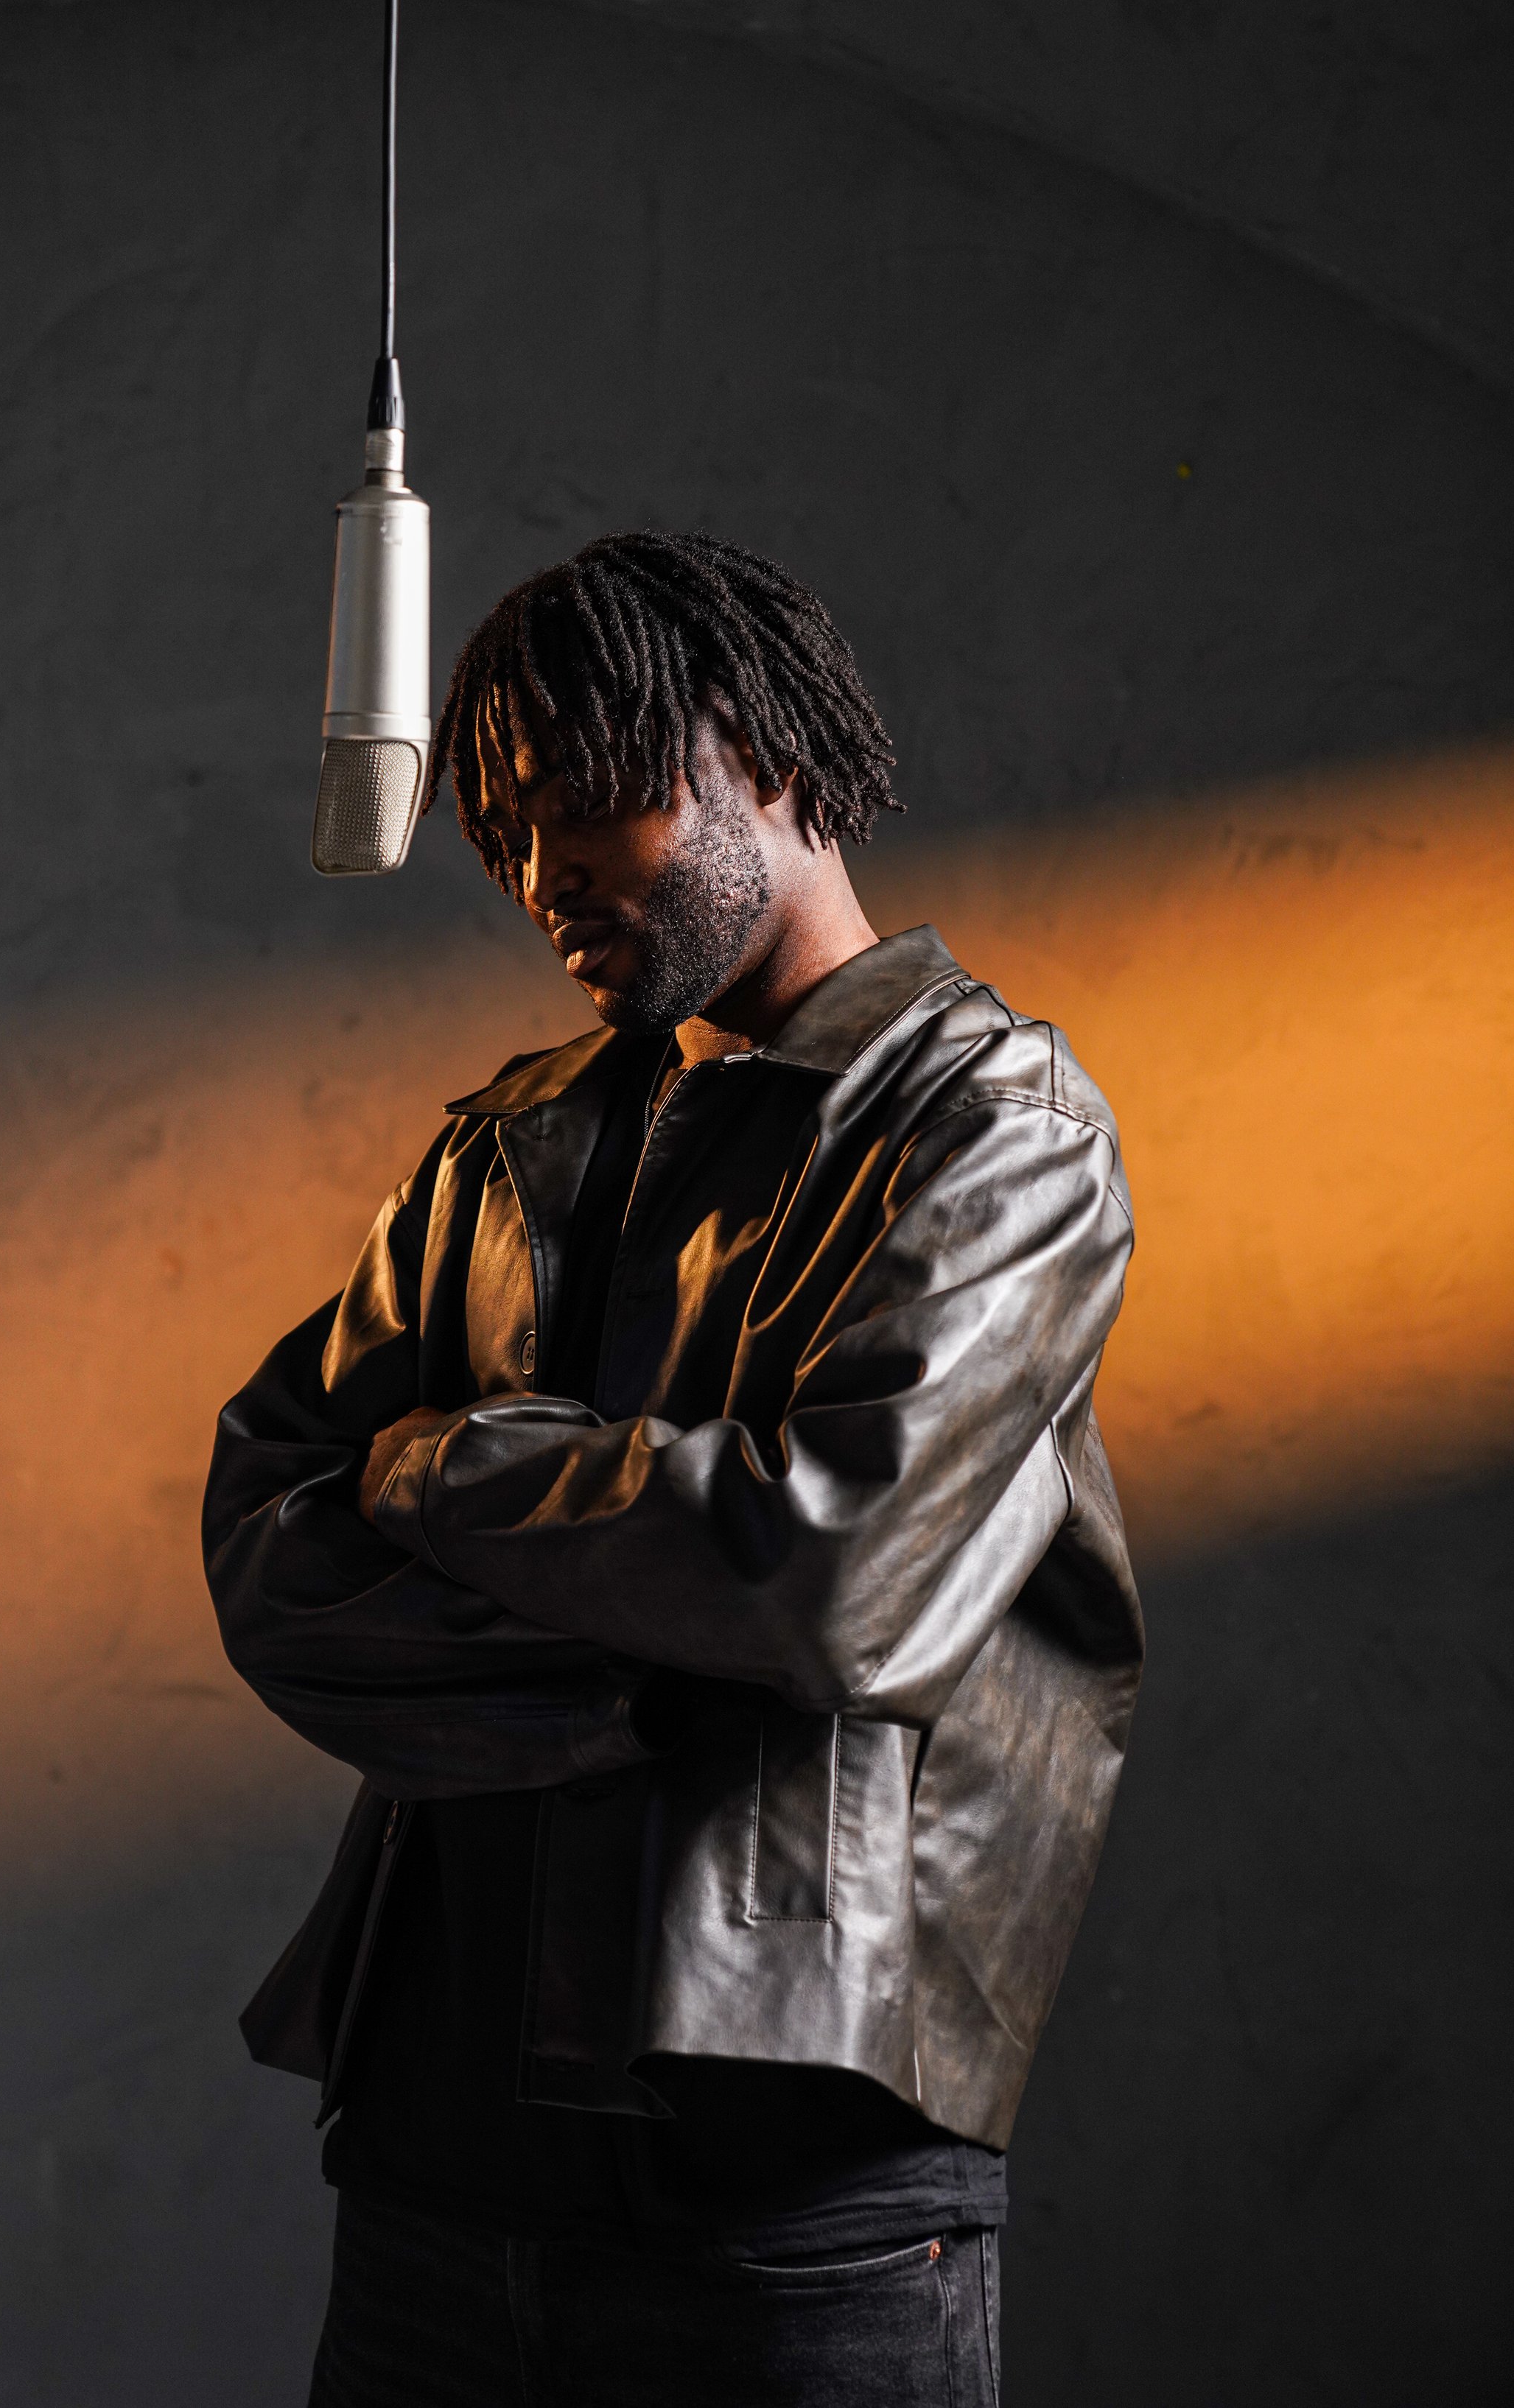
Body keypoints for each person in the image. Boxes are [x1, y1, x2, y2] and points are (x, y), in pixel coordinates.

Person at [203, 530, 1142, 2407]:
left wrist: (451, 1470)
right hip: (427, 2170)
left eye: (579, 805)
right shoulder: (501, 1147)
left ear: (760, 755)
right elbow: (268, 1550)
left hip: (795, 2210)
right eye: (502, 829)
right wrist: (661, 1655)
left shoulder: (997, 1129)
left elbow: (833, 1580)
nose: (538, 876)